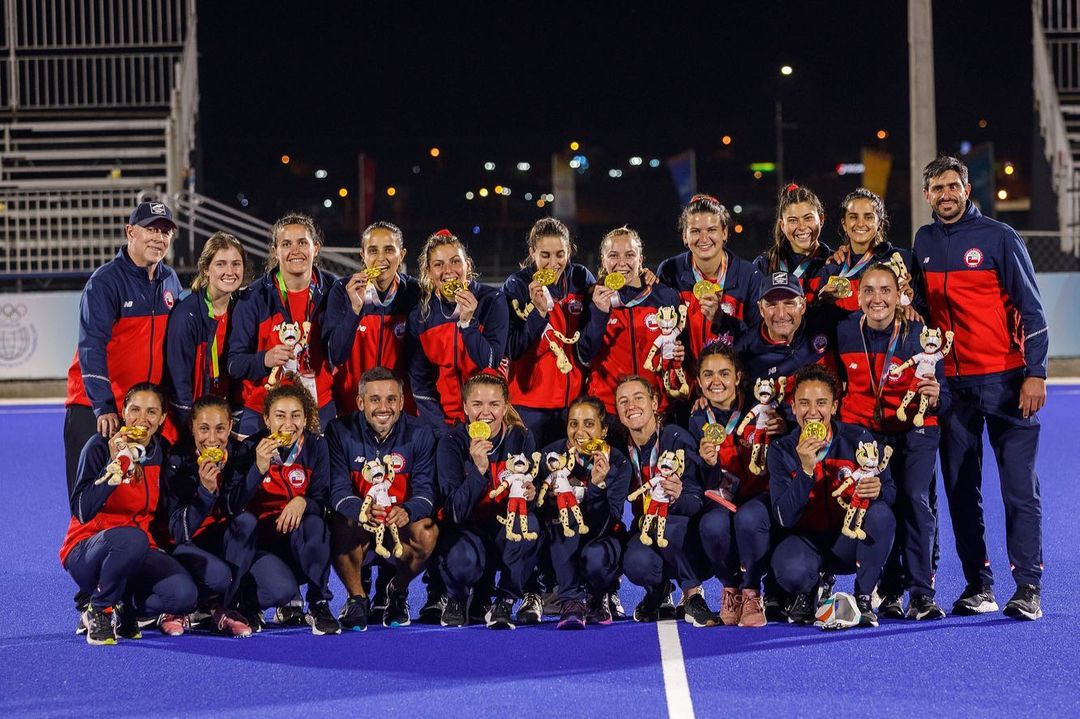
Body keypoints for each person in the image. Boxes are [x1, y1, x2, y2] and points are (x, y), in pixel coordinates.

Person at [911, 155, 1049, 620]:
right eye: (937, 189)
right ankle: (979, 584)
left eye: (953, 186)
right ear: (927, 194)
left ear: (967, 189)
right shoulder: (924, 241)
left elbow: (1033, 312)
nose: (946, 195)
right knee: (959, 490)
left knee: (1017, 488)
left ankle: (1028, 587)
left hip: (1007, 381)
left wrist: (1037, 372)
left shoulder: (999, 237)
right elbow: (919, 315)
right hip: (952, 388)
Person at [834, 263, 949, 620]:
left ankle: (922, 592)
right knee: (880, 501)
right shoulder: (845, 332)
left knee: (914, 498)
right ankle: (890, 589)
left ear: (899, 294)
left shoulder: (919, 334)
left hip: (916, 428)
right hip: (866, 431)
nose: (877, 298)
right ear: (858, 295)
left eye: (885, 290)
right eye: (869, 290)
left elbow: (942, 393)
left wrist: (937, 394)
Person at [61, 382, 198, 645]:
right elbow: (82, 510)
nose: (142, 419)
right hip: (88, 549)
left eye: (151, 412)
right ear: (123, 412)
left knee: (184, 596)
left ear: (162, 418)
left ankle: (128, 607)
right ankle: (100, 609)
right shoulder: (99, 447)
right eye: (135, 409)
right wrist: (114, 469)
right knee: (132, 539)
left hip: (139, 551)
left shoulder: (163, 454)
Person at [64, 200, 181, 496]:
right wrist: (103, 406)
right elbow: (92, 346)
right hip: (96, 407)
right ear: (130, 232)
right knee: (90, 494)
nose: (159, 238)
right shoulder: (105, 282)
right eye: (151, 230)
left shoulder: (170, 280)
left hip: (142, 411)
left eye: (165, 232)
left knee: (140, 493)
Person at [768, 365, 896, 627]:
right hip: (804, 542)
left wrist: (879, 491)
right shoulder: (781, 449)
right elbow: (784, 517)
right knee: (792, 572)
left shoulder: (858, 438)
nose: (812, 412)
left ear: (835, 406)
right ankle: (808, 589)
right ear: (793, 407)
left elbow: (891, 491)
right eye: (804, 403)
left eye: (821, 403)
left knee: (882, 515)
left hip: (847, 542)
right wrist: (805, 470)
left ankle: (863, 596)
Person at [225, 376, 341, 635]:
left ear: (305, 417)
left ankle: (319, 602)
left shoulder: (316, 446)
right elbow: (232, 506)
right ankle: (248, 604)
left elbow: (324, 501)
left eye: (296, 416)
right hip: (261, 549)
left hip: (301, 546)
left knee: (314, 522)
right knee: (281, 589)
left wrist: (303, 501)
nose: (288, 424)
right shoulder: (250, 448)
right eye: (280, 416)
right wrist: (258, 469)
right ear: (267, 419)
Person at [326, 367, 439, 630]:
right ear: (360, 402)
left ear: (401, 401)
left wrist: (407, 510)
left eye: (391, 399)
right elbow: (338, 491)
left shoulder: (421, 432)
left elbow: (426, 492)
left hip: (400, 525)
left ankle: (396, 591)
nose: (383, 407)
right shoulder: (338, 430)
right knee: (338, 524)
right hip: (360, 526)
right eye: (375, 399)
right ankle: (357, 599)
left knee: (428, 532)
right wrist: (362, 511)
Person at [435, 372, 540, 629]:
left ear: (505, 406)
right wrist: (478, 470)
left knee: (530, 528)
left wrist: (532, 493)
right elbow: (455, 512)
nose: (486, 412)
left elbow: (533, 492)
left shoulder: (522, 438)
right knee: (463, 562)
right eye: (477, 404)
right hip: (465, 531)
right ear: (464, 407)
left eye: (494, 404)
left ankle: (504, 600)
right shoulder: (451, 443)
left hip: (505, 528)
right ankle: (457, 598)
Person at [226, 213, 338, 438]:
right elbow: (233, 364)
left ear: (315, 248)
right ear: (275, 251)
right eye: (286, 244)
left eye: (302, 243)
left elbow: (341, 352)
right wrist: (264, 359)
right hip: (261, 410)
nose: (295, 250)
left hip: (318, 408)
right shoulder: (253, 298)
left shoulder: (334, 290)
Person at [690, 343, 770, 627]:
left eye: (724, 373)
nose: (716, 382)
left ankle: (751, 591)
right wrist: (708, 463)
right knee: (712, 525)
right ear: (698, 382)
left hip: (758, 496)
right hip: (721, 498)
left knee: (748, 519)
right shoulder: (696, 417)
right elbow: (703, 482)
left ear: (738, 377)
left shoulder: (760, 408)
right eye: (708, 375)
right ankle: (731, 588)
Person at [614, 376, 705, 624]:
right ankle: (659, 590)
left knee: (673, 529)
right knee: (635, 561)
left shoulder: (675, 438)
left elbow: (696, 500)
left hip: (682, 528)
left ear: (654, 403)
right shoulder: (620, 447)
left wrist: (677, 497)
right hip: (646, 525)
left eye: (638, 398)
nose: (631, 406)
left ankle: (692, 594)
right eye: (623, 401)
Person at [163, 394, 255, 637]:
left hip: (218, 542)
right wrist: (204, 492)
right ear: (192, 428)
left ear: (230, 427)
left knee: (247, 523)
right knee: (218, 576)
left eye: (220, 429)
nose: (212, 439)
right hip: (184, 545)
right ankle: (177, 609)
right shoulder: (176, 460)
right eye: (204, 429)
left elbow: (233, 509)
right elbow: (178, 533)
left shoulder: (237, 455)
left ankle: (225, 611)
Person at [535, 396, 631, 628]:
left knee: (596, 556)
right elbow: (538, 508)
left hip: (600, 538)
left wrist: (598, 487)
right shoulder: (550, 456)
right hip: (560, 540)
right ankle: (570, 601)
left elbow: (610, 519)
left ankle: (598, 596)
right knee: (561, 519)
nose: (580, 431)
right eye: (573, 423)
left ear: (604, 429)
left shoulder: (617, 462)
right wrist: (544, 499)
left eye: (589, 424)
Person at [577, 226, 685, 423]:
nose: (622, 263)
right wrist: (600, 314)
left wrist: (678, 355)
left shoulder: (664, 297)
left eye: (629, 255)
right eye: (613, 255)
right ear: (603, 260)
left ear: (640, 259)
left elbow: (678, 352)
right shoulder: (592, 298)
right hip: (608, 410)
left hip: (657, 408)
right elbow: (584, 355)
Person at [503, 218, 595, 447]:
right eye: (545, 255)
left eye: (560, 254)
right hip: (528, 404)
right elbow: (512, 348)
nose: (553, 263)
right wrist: (538, 313)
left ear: (569, 252)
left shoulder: (580, 278)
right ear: (532, 252)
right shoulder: (516, 285)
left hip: (571, 405)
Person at [407, 229, 508, 433]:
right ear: (428, 271)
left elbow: (489, 363)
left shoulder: (492, 301)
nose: (448, 271)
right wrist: (442, 430)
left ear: (467, 264)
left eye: (455, 261)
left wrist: (468, 323)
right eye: (438, 264)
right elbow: (419, 382)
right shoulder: (420, 316)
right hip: (440, 424)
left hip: (487, 420)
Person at [324, 222, 419, 416]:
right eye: (373, 250)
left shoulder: (414, 293)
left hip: (399, 410)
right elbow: (336, 355)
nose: (381, 258)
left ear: (402, 255)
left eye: (389, 250)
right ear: (363, 255)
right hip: (352, 408)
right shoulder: (343, 290)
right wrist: (355, 310)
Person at [657, 193, 762, 356]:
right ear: (685, 236)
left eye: (712, 230)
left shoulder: (750, 276)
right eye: (695, 231)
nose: (704, 238)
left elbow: (759, 338)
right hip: (685, 379)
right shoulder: (669, 271)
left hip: (732, 378)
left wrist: (722, 320)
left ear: (725, 232)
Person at [165, 232, 247, 433]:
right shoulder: (187, 315)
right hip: (193, 422)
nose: (230, 271)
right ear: (205, 269)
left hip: (225, 419)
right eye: (220, 264)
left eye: (236, 264)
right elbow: (179, 381)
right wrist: (191, 428)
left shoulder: (243, 309)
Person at [815, 188, 914, 314]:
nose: (860, 224)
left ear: (880, 224)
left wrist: (907, 303)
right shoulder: (833, 268)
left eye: (868, 217)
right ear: (844, 224)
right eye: (853, 217)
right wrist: (823, 302)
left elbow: (917, 308)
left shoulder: (903, 262)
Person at [753, 184, 831, 303]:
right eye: (793, 220)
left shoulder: (835, 263)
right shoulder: (764, 265)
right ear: (782, 226)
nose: (802, 227)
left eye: (808, 218)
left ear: (821, 219)